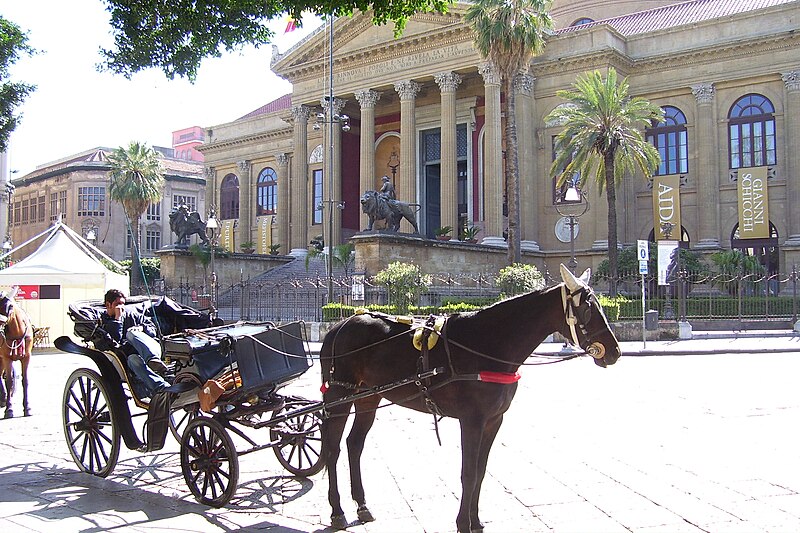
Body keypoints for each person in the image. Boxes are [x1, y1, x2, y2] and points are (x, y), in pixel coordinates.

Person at [101, 289, 169, 398]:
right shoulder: (104, 321)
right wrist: (117, 320)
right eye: (118, 304)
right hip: (130, 357)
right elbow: (114, 341)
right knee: (133, 359)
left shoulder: (133, 315)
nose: (122, 307)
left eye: (123, 304)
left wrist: (141, 328)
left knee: (132, 332)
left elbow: (152, 329)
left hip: (152, 349)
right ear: (108, 305)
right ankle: (161, 387)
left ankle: (153, 360)